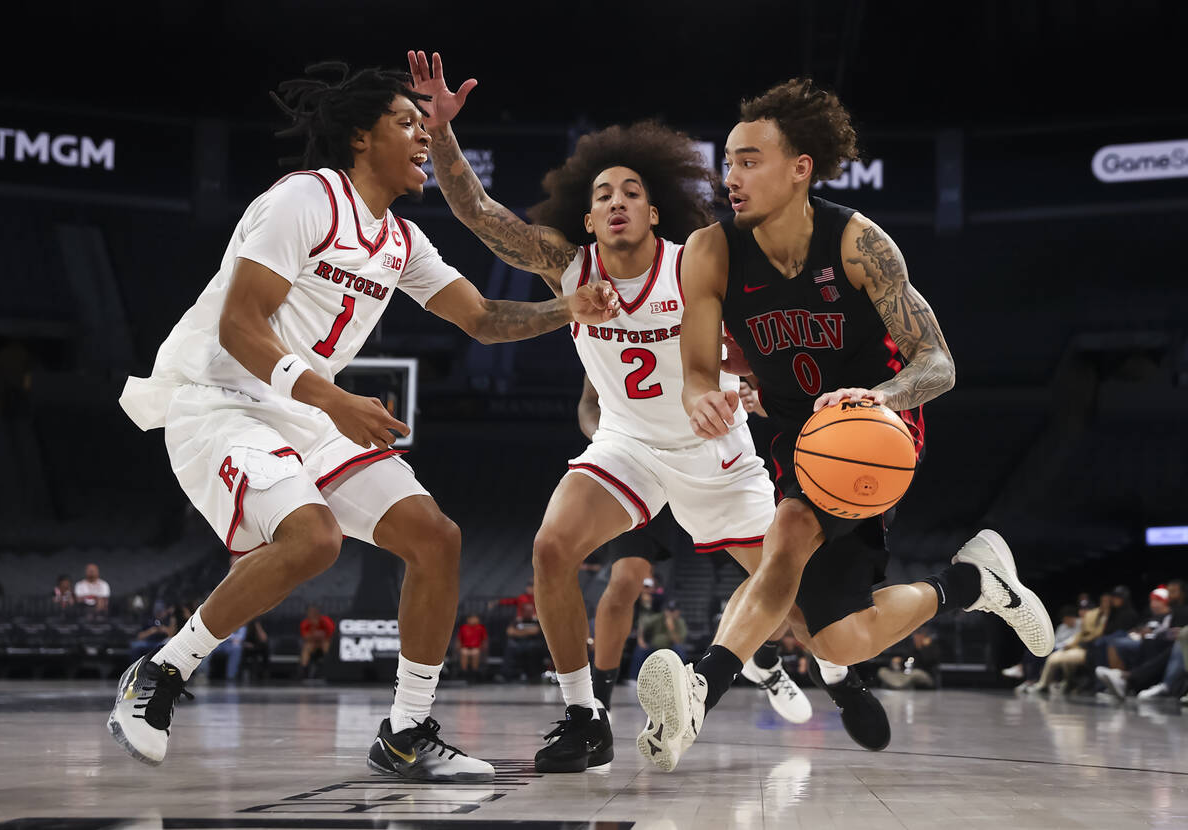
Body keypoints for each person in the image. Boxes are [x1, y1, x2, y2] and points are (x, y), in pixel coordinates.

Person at [107, 61, 620, 779]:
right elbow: (240, 325)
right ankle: (160, 673)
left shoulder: (401, 241)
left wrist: (570, 309)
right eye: (405, 124)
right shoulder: (305, 199)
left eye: (423, 126)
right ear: (359, 138)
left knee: (435, 539)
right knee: (313, 539)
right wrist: (335, 400)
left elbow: (479, 317)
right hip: (222, 399)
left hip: (307, 412)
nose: (421, 139)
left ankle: (406, 733)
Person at [410, 51, 814, 774]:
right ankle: (584, 716)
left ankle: (776, 660)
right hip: (626, 443)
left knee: (799, 602)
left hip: (710, 447)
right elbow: (475, 212)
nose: (617, 199)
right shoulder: (569, 271)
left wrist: (750, 387)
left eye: (631, 190)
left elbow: (761, 346)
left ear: (654, 213)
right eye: (603, 194)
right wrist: (441, 132)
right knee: (551, 549)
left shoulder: (698, 260)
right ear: (590, 219)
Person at [636, 79, 1055, 772]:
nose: (730, 176)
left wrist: (879, 397)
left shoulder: (860, 243)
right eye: (728, 161)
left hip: (871, 431)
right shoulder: (709, 251)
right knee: (838, 640)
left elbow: (938, 361)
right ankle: (973, 585)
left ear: (800, 166)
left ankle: (701, 690)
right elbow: (700, 369)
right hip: (786, 431)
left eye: (749, 160)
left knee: (790, 535)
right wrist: (701, 397)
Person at [877, 626, 941, 689]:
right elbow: (905, 660)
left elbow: (929, 662)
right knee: (882, 671)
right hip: (906, 674)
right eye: (915, 635)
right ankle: (898, 683)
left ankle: (898, 684)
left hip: (923, 674)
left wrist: (925, 648)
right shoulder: (911, 648)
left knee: (916, 673)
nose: (916, 637)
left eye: (919, 634)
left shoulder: (932, 648)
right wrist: (898, 661)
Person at [500, 602, 546, 681]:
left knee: (533, 649)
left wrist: (519, 632)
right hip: (518, 644)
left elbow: (536, 631)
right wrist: (526, 632)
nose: (528, 613)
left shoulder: (536, 621)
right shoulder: (517, 621)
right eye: (526, 611)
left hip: (532, 645)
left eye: (530, 611)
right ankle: (508, 675)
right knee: (510, 648)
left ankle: (533, 675)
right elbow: (510, 631)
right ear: (523, 612)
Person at [299, 604, 335, 677]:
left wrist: (322, 636)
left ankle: (330, 667)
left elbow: (332, 633)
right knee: (307, 647)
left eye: (314, 612)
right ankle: (304, 670)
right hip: (313, 643)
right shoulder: (305, 623)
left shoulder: (326, 620)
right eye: (310, 612)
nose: (313, 614)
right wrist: (314, 635)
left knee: (326, 646)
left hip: (324, 642)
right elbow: (305, 637)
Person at [457, 613, 488, 679]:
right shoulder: (464, 627)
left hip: (476, 647)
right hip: (465, 647)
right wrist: (458, 647)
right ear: (468, 619)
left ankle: (474, 672)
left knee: (475, 653)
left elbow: (484, 639)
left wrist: (484, 648)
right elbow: (459, 639)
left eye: (475, 618)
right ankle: (464, 672)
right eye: (472, 618)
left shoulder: (481, 627)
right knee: (464, 652)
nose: (473, 620)